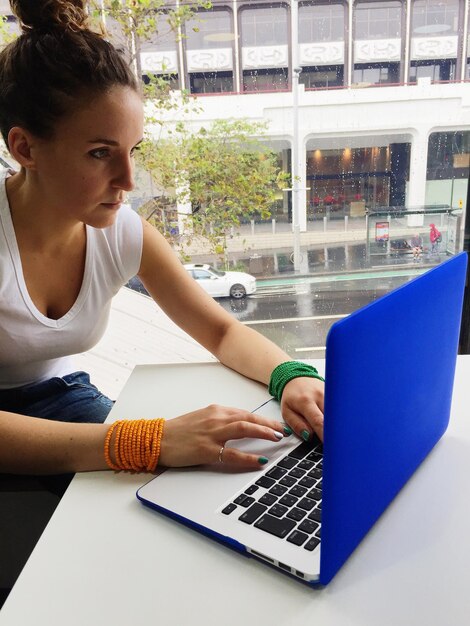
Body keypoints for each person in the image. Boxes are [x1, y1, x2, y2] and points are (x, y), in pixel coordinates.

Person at [0, 0, 324, 478]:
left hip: (60, 397)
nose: (128, 180)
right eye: (98, 153)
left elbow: (222, 330)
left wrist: (290, 377)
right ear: (24, 148)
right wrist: (149, 438)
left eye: (133, 150)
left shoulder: (123, 233)